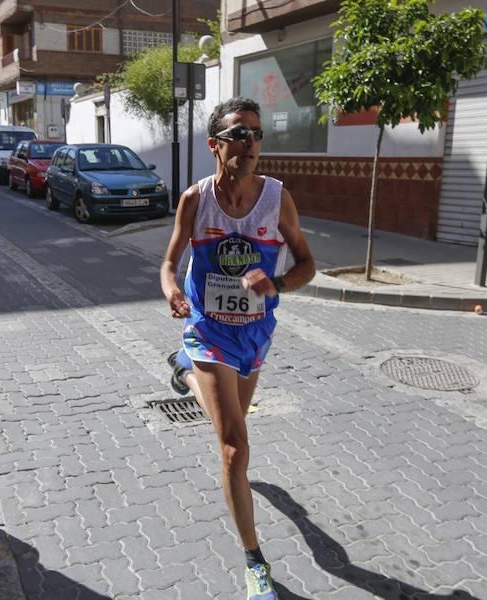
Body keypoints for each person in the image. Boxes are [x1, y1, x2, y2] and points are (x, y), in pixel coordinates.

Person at [159, 97, 315, 600]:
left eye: (256, 133)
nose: (250, 142)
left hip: (254, 334)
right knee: (234, 449)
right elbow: (168, 264)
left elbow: (308, 265)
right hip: (208, 332)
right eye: (238, 134)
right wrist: (172, 289)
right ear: (215, 145)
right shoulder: (195, 199)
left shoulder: (277, 199)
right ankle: (255, 562)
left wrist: (277, 284)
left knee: (235, 429)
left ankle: (184, 376)